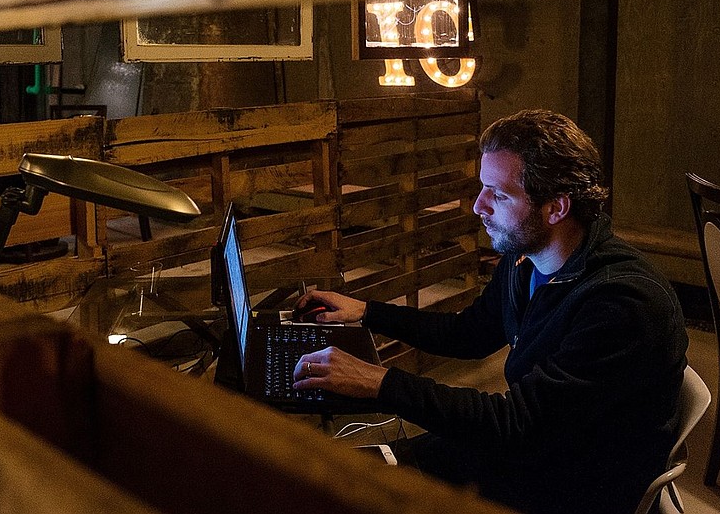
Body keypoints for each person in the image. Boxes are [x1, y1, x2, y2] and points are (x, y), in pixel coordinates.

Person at [291, 109, 687, 514]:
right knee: (351, 469)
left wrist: (378, 382)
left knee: (361, 489)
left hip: (576, 482)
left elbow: (518, 426)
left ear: (556, 208)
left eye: (497, 194)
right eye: (483, 188)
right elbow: (470, 333)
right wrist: (368, 311)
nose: (478, 206)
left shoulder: (623, 304)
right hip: (534, 445)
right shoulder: (526, 259)